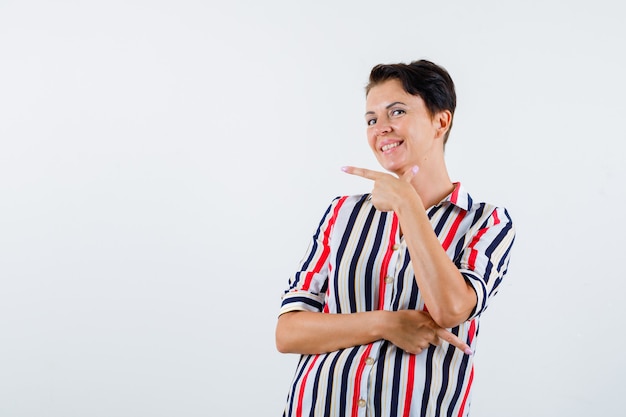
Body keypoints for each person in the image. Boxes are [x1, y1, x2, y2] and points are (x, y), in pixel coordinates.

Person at [275, 59, 515, 417]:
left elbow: (451, 309)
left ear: (441, 120)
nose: (381, 129)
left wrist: (408, 204)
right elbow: (289, 332)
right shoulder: (342, 214)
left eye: (397, 112)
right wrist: (388, 324)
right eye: (371, 119)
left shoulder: (485, 222)